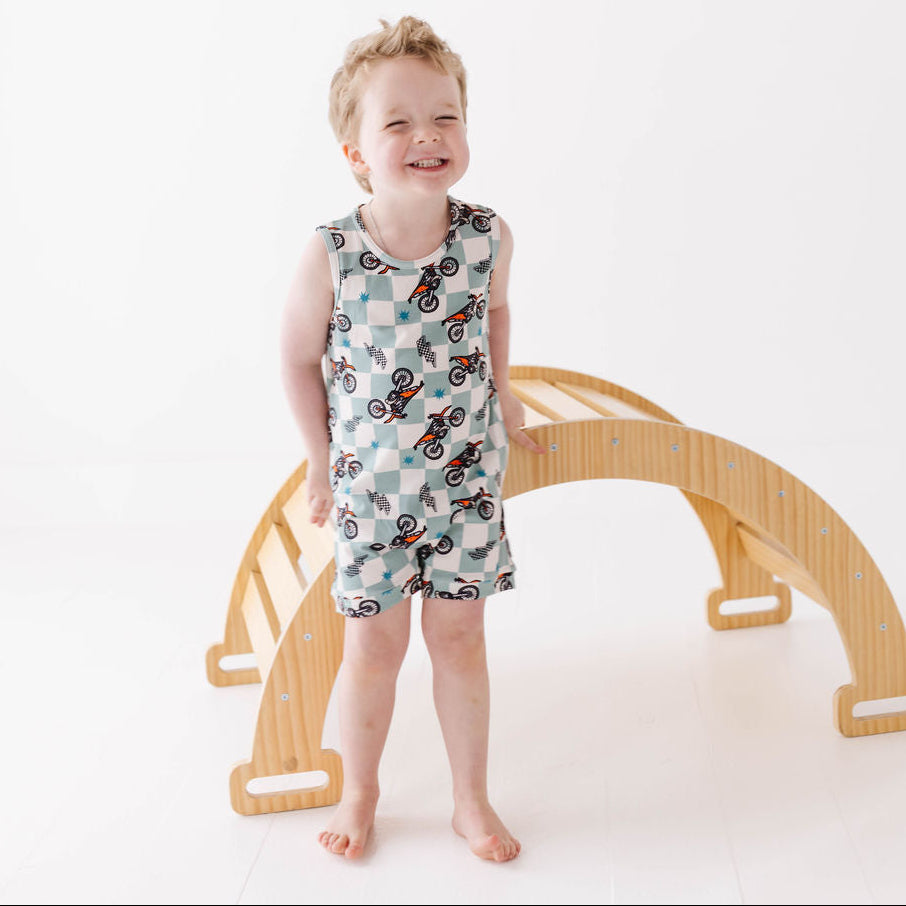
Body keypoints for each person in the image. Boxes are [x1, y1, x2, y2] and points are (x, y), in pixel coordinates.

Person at [280, 15, 546, 863]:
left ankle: (471, 799)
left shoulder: (485, 237)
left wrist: (505, 393)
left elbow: (494, 313)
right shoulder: (333, 254)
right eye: (397, 122)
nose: (427, 135)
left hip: (466, 479)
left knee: (461, 639)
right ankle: (361, 791)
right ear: (356, 150)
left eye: (445, 116)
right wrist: (321, 462)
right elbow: (295, 359)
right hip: (371, 489)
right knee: (374, 646)